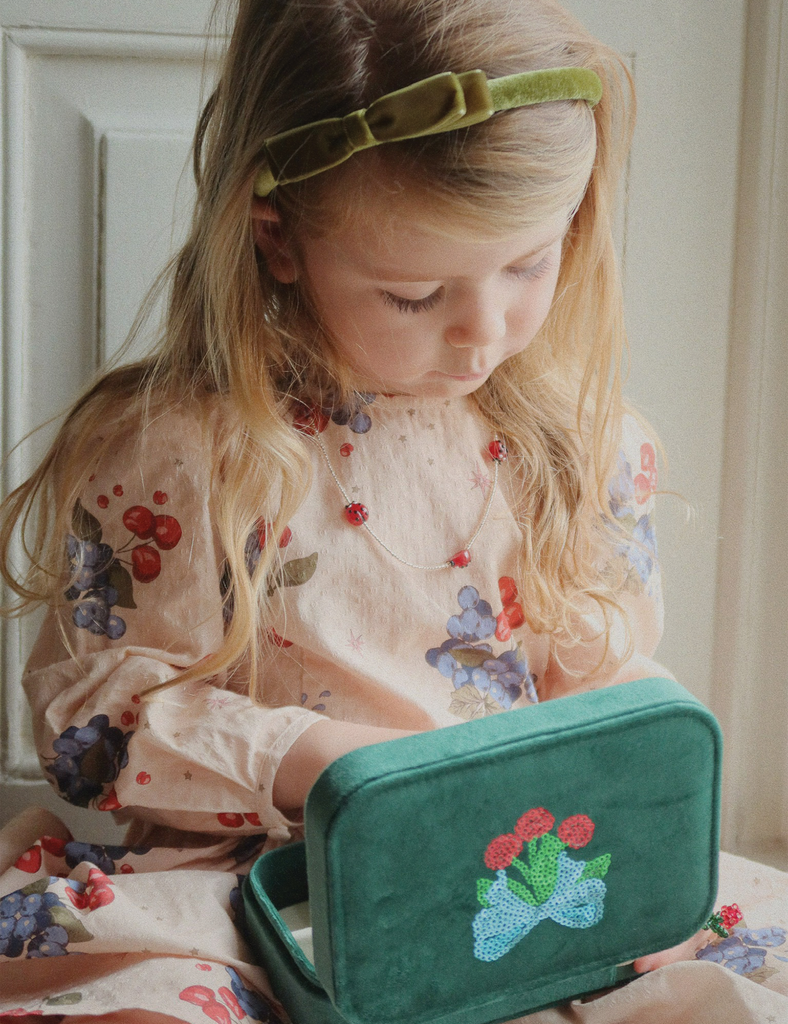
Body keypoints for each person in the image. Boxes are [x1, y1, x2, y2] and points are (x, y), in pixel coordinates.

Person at [1, 0, 787, 1021]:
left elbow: (600, 682)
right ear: (277, 237)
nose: (481, 331)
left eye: (528, 263)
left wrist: (639, 809)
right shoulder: (185, 453)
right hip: (260, 885)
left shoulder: (576, 443)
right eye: (415, 294)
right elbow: (91, 720)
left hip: (514, 874)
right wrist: (314, 765)